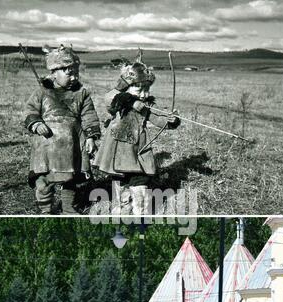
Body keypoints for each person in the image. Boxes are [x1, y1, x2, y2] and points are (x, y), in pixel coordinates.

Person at [93, 58, 180, 215]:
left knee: (139, 182)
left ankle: (139, 211)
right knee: (119, 183)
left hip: (138, 150)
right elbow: (110, 98)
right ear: (126, 87)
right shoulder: (118, 101)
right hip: (117, 150)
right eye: (139, 90)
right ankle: (122, 210)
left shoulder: (146, 105)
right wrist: (130, 101)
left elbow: (158, 120)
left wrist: (171, 121)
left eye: (147, 90)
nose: (144, 94)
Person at [24, 44, 101, 214]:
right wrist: (37, 124)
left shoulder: (82, 93)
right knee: (44, 180)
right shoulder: (42, 92)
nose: (73, 77)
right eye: (68, 73)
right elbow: (30, 111)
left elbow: (89, 115)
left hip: (73, 143)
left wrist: (90, 137)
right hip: (47, 145)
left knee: (70, 178)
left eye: (76, 73)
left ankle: (68, 207)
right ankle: (46, 209)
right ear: (53, 72)